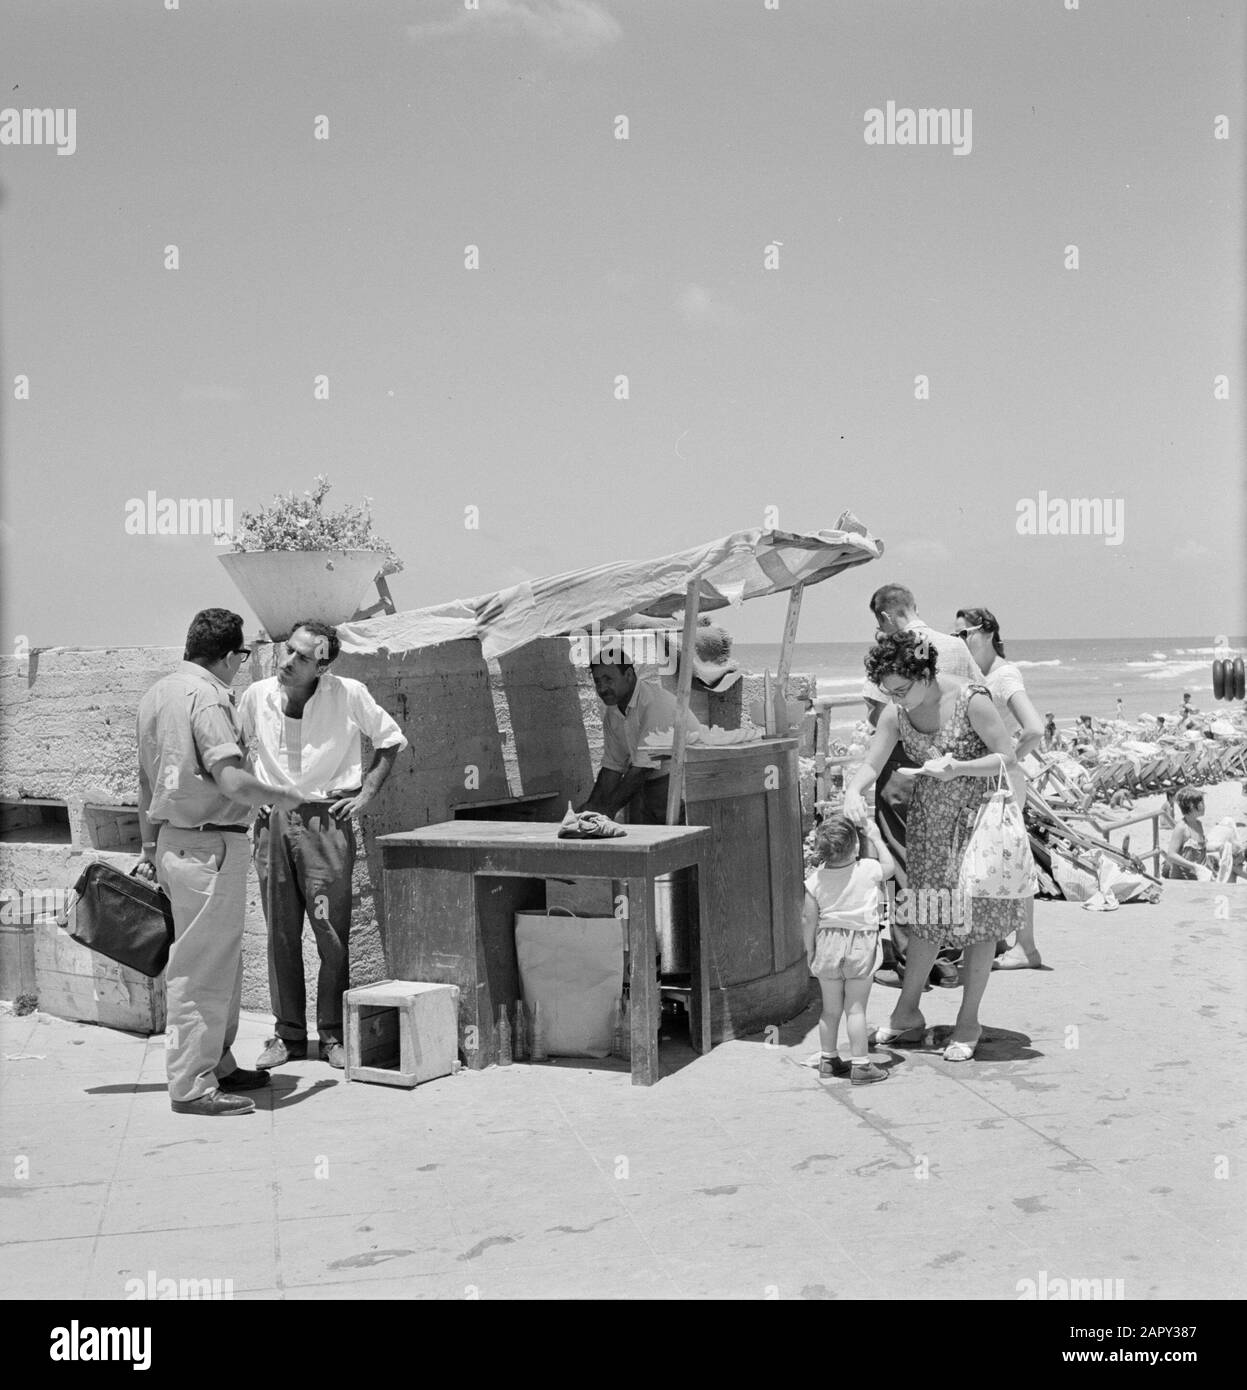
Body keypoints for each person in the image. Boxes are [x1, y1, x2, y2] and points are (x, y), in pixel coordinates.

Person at [135, 609, 304, 1116]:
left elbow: (145, 782)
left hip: (175, 843)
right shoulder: (208, 697)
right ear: (232, 656)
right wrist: (281, 795)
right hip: (209, 847)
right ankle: (192, 1084)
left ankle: (220, 1064)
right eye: (242, 657)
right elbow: (230, 781)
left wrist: (148, 851)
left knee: (219, 965)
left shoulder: (156, 694)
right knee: (202, 971)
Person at [843, 631, 1029, 1062]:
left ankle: (969, 1021)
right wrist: (854, 790)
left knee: (978, 924)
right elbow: (872, 761)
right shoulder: (895, 712)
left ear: (925, 673)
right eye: (889, 691)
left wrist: (958, 767)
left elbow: (1007, 757)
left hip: (977, 823)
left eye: (903, 689)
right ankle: (907, 1013)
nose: (898, 699)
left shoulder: (972, 700)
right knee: (927, 916)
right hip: (929, 825)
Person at [238, 620, 407, 1070]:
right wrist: (250, 794)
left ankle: (332, 1034)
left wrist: (365, 794)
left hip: (326, 821)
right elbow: (233, 748)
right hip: (273, 823)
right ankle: (287, 1036)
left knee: (330, 934)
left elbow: (391, 741)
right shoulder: (257, 696)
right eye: (287, 651)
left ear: (323, 664)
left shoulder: (348, 693)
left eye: (301, 657)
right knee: (280, 932)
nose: (287, 662)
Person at [953, 608, 1044, 969]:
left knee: (1009, 861)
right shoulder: (980, 673)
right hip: (993, 780)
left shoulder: (1004, 675)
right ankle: (1001, 940)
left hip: (1001, 782)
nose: (959, 641)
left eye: (965, 634)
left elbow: (1034, 728)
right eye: (955, 635)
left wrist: (1008, 761)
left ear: (987, 632)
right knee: (995, 860)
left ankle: (1028, 948)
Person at [803, 814, 894, 1084]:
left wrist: (810, 950)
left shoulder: (815, 880)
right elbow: (889, 867)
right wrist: (876, 837)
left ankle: (828, 1060)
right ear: (855, 846)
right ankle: (862, 1065)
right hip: (860, 945)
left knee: (830, 1010)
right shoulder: (867, 868)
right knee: (856, 1009)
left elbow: (808, 919)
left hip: (828, 945)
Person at [579, 654, 702, 822]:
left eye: (608, 679)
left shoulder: (654, 704)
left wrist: (607, 810)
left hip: (682, 783)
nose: (602, 688)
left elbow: (643, 769)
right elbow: (613, 766)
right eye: (598, 681)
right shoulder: (613, 712)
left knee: (674, 839)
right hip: (648, 782)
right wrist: (591, 807)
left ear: (629, 675)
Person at [1162, 787, 1212, 880]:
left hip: (1197, 878)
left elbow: (1200, 848)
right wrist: (1194, 866)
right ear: (1192, 805)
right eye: (1202, 803)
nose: (1204, 806)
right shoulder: (1181, 828)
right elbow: (1171, 855)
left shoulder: (1199, 824)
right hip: (1182, 880)